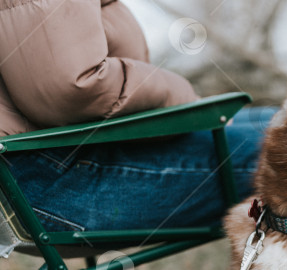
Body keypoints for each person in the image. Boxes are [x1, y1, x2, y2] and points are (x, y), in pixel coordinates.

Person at [0, 0, 270, 232]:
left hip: (50, 160)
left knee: (282, 123)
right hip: (45, 184)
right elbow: (73, 87)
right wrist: (185, 100)